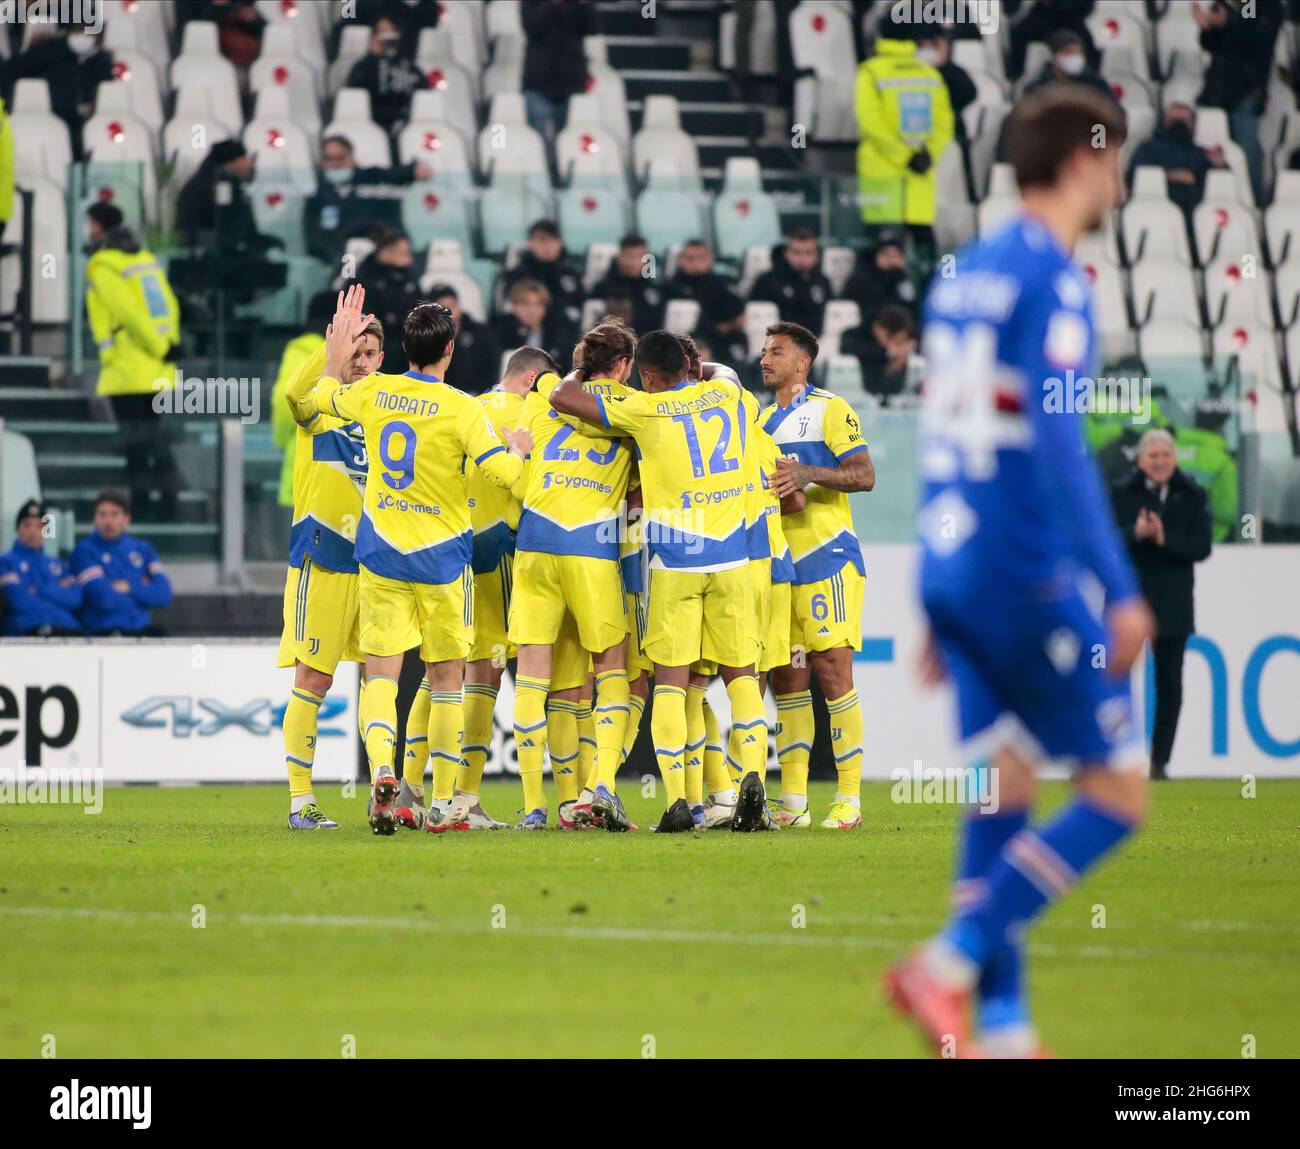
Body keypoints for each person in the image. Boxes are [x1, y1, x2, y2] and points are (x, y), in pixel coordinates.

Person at [886, 84, 1154, 1060]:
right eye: (1115, 157)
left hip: (958, 561)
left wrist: (937, 589)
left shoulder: (959, 277)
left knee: (1000, 789)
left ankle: (1001, 1034)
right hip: (1020, 569)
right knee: (1117, 794)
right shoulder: (1051, 277)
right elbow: (1054, 438)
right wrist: (1117, 588)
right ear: (1086, 158)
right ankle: (948, 963)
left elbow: (948, 436)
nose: (1118, 178)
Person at [308, 300, 532, 835]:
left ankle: (383, 769)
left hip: (382, 554)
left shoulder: (375, 391)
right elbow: (504, 476)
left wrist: (333, 356)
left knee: (381, 676)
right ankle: (446, 803)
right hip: (442, 562)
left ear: (403, 349)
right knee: (447, 681)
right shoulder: (462, 409)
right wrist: (519, 448)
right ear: (449, 350)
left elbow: (318, 399)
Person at [549, 330, 774, 835]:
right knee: (742, 676)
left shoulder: (644, 410)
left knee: (670, 684)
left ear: (647, 376)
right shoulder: (729, 392)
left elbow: (562, 397)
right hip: (735, 558)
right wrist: (695, 366)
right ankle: (753, 777)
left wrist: (583, 366)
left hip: (675, 565)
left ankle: (676, 801)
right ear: (688, 366)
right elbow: (719, 370)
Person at [508, 324, 638, 830]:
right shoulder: (628, 408)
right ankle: (600, 787)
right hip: (590, 547)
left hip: (536, 541)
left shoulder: (544, 399)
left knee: (532, 677)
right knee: (611, 669)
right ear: (623, 365)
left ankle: (534, 805)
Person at [758, 322, 875, 829]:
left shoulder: (831, 409)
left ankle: (849, 799)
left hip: (829, 556)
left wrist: (809, 472)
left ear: (802, 363)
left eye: (776, 352)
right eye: (764, 351)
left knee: (832, 672)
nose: (765, 359)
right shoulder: (759, 421)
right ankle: (794, 804)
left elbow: (864, 475)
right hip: (782, 563)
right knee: (788, 679)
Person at [443, 346, 561, 832]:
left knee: (448, 673)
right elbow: (535, 487)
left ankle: (424, 790)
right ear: (534, 379)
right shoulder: (535, 415)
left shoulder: (469, 407)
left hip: (455, 553)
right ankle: (475, 799)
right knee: (524, 677)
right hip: (511, 557)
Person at [276, 285, 380, 831]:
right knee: (314, 679)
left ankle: (387, 786)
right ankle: (301, 800)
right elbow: (295, 398)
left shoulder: (389, 408)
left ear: (382, 358)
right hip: (324, 557)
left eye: (368, 354)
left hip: (379, 564)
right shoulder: (323, 405)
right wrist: (331, 356)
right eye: (354, 354)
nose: (361, 364)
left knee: (379, 680)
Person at [1111, 429, 1213, 781]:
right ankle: (1114, 759)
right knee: (1115, 679)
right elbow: (1107, 541)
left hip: (1173, 602)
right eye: (1153, 456)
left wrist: (1164, 538)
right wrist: (1136, 535)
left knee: (1170, 684)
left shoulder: (1193, 494)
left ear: (1174, 458)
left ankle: (1159, 762)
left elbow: (1202, 546)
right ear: (1140, 460)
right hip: (1130, 600)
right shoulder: (1121, 493)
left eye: (1165, 455)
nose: (1159, 462)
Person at [84, 202, 183, 524]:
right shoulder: (145, 259)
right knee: (157, 439)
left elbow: (127, 312)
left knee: (135, 446)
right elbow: (167, 304)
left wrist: (155, 346)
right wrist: (169, 346)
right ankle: (169, 504)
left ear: (99, 227)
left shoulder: (103, 265)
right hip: (160, 368)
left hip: (129, 369)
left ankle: (141, 509)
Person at [854, 30, 954, 249]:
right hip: (919, 177)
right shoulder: (930, 75)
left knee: (879, 255)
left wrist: (904, 156)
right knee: (925, 253)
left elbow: (871, 123)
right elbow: (944, 122)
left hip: (882, 179)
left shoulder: (871, 72)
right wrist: (928, 154)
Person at [1195, 0, 1282, 203]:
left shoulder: (1261, 5)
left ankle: (1253, 203)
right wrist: (1207, 26)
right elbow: (1210, 44)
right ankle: (1209, 197)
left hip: (1245, 91)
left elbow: (1255, 37)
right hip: (1216, 91)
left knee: (1245, 150)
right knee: (1207, 146)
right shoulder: (1226, 3)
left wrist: (1227, 21)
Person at [305, 135, 431, 270]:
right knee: (350, 284)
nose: (335, 163)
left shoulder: (371, 178)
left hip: (386, 253)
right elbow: (315, 233)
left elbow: (398, 174)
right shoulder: (318, 195)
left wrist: (414, 169)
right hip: (347, 258)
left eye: (340, 158)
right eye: (329, 159)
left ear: (351, 157)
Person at [1, 21, 112, 160]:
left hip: (88, 123)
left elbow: (108, 90)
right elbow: (10, 70)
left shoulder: (102, 61)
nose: (84, 36)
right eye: (79, 30)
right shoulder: (49, 53)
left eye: (90, 31)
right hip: (55, 118)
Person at [71, 491, 173, 635]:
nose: (108, 520)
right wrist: (143, 588)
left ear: (126, 518)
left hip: (141, 630)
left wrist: (129, 586)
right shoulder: (84, 551)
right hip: (104, 631)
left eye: (114, 514)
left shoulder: (143, 549)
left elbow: (164, 594)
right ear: (94, 518)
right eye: (102, 514)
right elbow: (105, 599)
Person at [270, 292, 333, 511]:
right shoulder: (359, 354)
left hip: (303, 452)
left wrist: (281, 439)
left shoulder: (301, 351)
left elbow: (284, 402)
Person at [1126, 103, 1230, 217]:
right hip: (1158, 209)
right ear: (1164, 121)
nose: (1179, 124)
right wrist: (1170, 175)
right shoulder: (1148, 149)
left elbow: (1221, 188)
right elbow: (1134, 179)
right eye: (1175, 119)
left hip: (1197, 212)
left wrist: (1220, 166)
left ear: (1193, 125)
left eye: (1184, 120)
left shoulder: (1201, 153)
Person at [1, 500, 83, 636]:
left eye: (39, 526)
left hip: (65, 627)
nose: (32, 531)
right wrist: (57, 589)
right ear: (18, 529)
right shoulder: (6, 562)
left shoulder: (57, 564)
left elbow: (75, 598)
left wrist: (38, 589)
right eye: (27, 525)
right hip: (26, 631)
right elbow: (19, 600)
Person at [521, 0, 595, 144]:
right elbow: (532, 26)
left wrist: (584, 4)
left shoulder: (577, 5)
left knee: (571, 140)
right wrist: (553, 4)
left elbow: (593, 27)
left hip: (572, 83)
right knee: (539, 142)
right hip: (539, 82)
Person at [344, 14, 427, 134]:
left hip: (407, 124)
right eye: (382, 32)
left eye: (391, 32)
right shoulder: (363, 67)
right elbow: (355, 92)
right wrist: (372, 57)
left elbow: (422, 92)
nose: (387, 37)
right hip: (373, 123)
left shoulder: (411, 67)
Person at [500, 219, 585, 332]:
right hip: (524, 335)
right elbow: (507, 311)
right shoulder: (516, 275)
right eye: (542, 240)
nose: (548, 245)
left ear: (560, 243)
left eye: (553, 240)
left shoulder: (571, 274)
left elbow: (581, 307)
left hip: (567, 337)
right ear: (530, 243)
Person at [356, 226, 421, 373]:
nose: (410, 259)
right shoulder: (364, 279)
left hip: (405, 349)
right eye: (404, 253)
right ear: (385, 253)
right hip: (374, 348)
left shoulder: (409, 278)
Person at [749, 228, 832, 336]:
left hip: (816, 343)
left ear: (817, 255)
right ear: (786, 253)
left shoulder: (823, 282)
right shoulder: (768, 281)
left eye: (808, 253)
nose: (802, 259)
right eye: (796, 252)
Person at [429, 283, 501, 395]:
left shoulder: (481, 333)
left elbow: (492, 368)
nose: (449, 313)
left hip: (476, 397)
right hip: (439, 397)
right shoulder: (425, 337)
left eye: (452, 306)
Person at [841, 303, 922, 400]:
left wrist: (909, 349)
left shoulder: (913, 336)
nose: (894, 344)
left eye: (899, 341)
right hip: (869, 386)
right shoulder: (856, 336)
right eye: (892, 339)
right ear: (878, 329)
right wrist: (888, 352)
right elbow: (846, 347)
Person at [589, 234, 664, 333]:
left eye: (640, 257)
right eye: (629, 256)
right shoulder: (603, 287)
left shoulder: (655, 290)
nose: (634, 262)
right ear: (619, 257)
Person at [492, 278, 575, 366]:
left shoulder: (557, 333)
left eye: (539, 304)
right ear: (513, 306)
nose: (532, 310)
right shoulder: (500, 331)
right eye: (525, 304)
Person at [1023, 30, 1116, 106]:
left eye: (1079, 53)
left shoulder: (1096, 85)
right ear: (1052, 57)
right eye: (1068, 52)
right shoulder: (1039, 88)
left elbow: (1114, 111)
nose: (1075, 57)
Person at [665, 238, 743, 327]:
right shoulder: (670, 287)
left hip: (723, 335)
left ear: (711, 259)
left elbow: (739, 312)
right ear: (680, 260)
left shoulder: (724, 283)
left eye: (701, 258)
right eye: (690, 258)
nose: (695, 262)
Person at [841, 230, 918, 321]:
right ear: (876, 255)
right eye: (886, 254)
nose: (892, 260)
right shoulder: (860, 280)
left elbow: (910, 308)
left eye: (897, 255)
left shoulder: (902, 279)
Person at [916, 30, 976, 140]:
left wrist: (942, 66)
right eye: (923, 46)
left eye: (934, 45)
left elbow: (968, 95)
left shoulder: (953, 72)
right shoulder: (903, 72)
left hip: (948, 134)